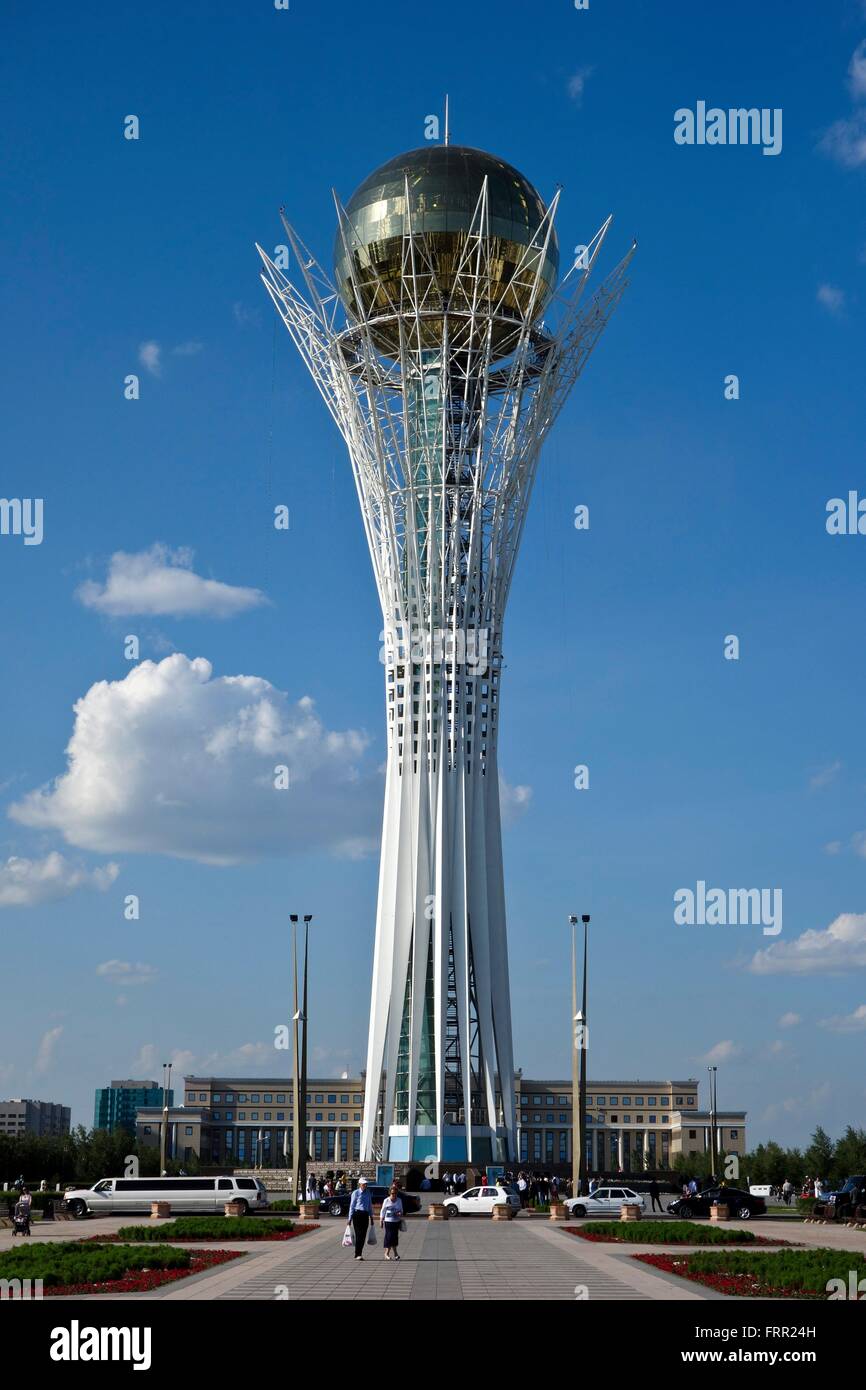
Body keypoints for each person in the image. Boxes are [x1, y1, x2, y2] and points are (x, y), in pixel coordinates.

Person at [348, 1176, 373, 1261]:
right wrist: (349, 1218)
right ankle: (357, 1254)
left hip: (365, 1215)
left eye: (366, 1184)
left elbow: (369, 1206)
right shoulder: (355, 1193)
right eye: (363, 1184)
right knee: (359, 1235)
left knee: (363, 1235)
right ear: (360, 1184)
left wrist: (371, 1217)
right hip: (357, 1214)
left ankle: (360, 1253)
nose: (365, 1185)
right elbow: (352, 1206)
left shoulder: (368, 1193)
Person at [380, 1181, 404, 1261]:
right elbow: (382, 1211)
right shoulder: (386, 1200)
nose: (394, 1195)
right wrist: (381, 1220)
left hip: (396, 1221)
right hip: (388, 1221)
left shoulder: (399, 1200)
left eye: (395, 1193)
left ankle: (395, 1253)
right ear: (390, 1193)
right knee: (389, 1237)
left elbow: (401, 1210)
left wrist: (400, 1213)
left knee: (394, 1237)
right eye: (392, 1193)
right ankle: (387, 1253)